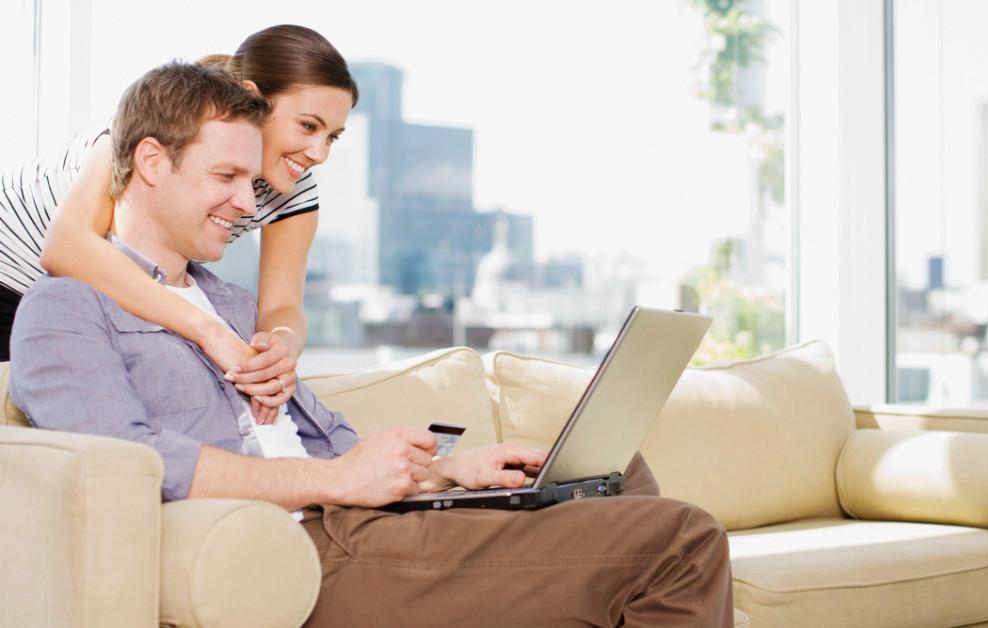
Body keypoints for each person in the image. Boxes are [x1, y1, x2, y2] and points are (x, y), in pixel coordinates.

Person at [10, 61, 734, 627]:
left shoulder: (234, 308)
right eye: (225, 176)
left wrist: (444, 478)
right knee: (681, 541)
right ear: (152, 162)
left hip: (360, 521)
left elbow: (325, 447)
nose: (246, 202)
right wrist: (335, 483)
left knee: (621, 475)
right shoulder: (68, 308)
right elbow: (128, 463)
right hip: (307, 549)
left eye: (250, 178)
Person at [0, 24, 356, 426]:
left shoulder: (295, 189)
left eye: (333, 137)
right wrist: (211, 332)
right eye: (308, 126)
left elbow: (282, 305)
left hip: (101, 297)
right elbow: (66, 249)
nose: (319, 152)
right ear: (255, 98)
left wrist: (280, 347)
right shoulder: (155, 136)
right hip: (13, 279)